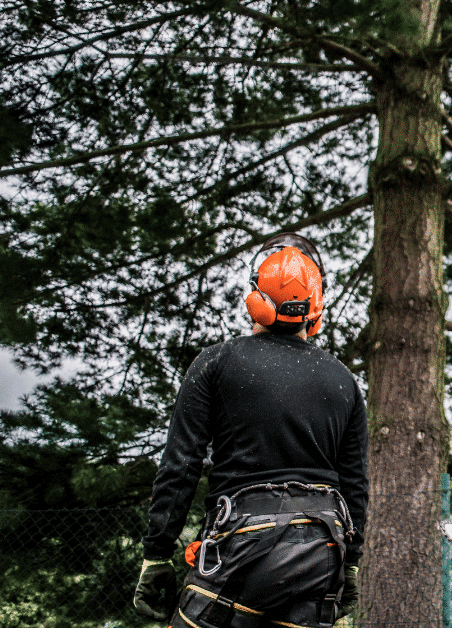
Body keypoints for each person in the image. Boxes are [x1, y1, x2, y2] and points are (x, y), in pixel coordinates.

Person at [133, 232, 368, 628]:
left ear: (255, 301)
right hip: (322, 552)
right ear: (316, 307)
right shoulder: (344, 381)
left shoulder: (216, 363)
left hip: (240, 544)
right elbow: (355, 483)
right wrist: (352, 565)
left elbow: (180, 466)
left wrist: (157, 554)